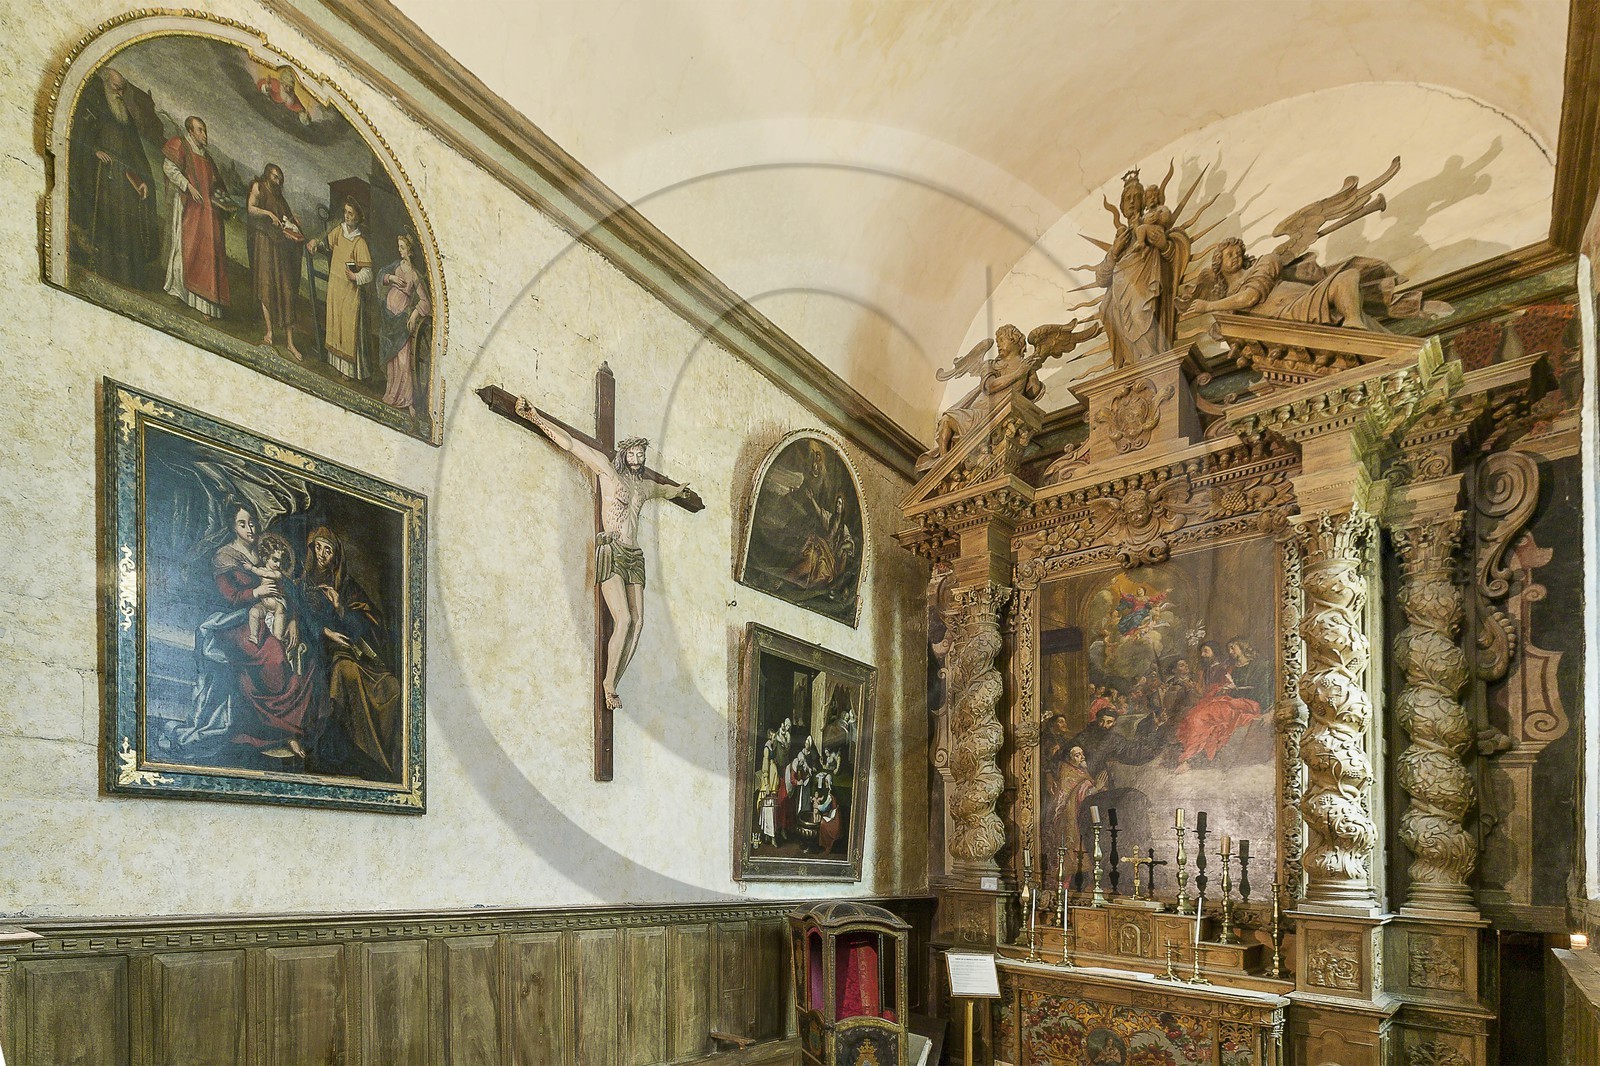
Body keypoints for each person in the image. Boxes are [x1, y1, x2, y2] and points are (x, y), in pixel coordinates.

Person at [515, 398, 694, 710]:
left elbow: (665, 490)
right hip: (611, 549)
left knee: (638, 623)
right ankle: (608, 683)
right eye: (633, 453)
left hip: (634, 555)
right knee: (622, 619)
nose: (638, 458)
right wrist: (536, 418)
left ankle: (617, 677)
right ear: (623, 453)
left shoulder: (644, 487)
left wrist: (679, 492)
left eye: (642, 454)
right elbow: (570, 444)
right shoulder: (606, 471)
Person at [187, 505, 319, 758]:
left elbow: (286, 591)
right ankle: (274, 732)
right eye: (243, 524)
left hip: (268, 616)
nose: (251, 529)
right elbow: (228, 597)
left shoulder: (265, 552)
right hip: (233, 622)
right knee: (273, 654)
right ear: (232, 527)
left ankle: (289, 731)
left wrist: (292, 620)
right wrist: (256, 593)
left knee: (306, 656)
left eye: (253, 523)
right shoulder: (224, 557)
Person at [298, 527, 403, 780]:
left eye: (328, 549)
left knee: (391, 686)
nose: (322, 554)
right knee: (347, 673)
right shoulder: (302, 585)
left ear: (336, 556)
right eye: (318, 548)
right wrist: (325, 632)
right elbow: (300, 619)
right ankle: (344, 749)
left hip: (355, 651)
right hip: (323, 651)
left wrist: (339, 606)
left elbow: (366, 625)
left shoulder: (346, 586)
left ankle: (378, 757)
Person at [69, 67, 158, 288]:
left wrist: (142, 180)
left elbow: (135, 153)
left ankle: (128, 278)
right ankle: (103, 270)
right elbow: (77, 133)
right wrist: (93, 150)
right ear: (105, 84)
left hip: (125, 182)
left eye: (122, 91)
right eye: (116, 89)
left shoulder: (123, 115)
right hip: (102, 178)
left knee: (127, 228)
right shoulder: (93, 103)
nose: (119, 94)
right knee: (106, 225)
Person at [161, 116, 229, 318]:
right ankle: (179, 291)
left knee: (206, 253)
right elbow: (169, 168)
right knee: (186, 248)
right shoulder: (180, 144)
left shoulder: (207, 158)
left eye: (204, 130)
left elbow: (217, 186)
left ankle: (204, 302)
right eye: (200, 130)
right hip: (188, 205)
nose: (204, 135)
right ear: (190, 132)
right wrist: (188, 186)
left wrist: (222, 201)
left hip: (207, 212)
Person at [307, 198, 373, 378]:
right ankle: (335, 363)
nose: (346, 216)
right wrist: (315, 244)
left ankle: (349, 371)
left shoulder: (360, 242)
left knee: (348, 327)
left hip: (350, 292)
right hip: (335, 286)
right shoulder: (338, 231)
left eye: (350, 213)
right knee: (335, 323)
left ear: (358, 217)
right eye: (345, 212)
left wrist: (355, 276)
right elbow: (325, 246)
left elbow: (368, 273)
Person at [245, 163, 305, 358]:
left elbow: (285, 218)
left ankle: (289, 342)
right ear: (267, 175)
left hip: (279, 247)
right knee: (266, 286)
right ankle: (270, 332)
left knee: (286, 291)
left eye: (280, 177)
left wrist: (292, 221)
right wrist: (268, 213)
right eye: (275, 176)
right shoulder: (258, 187)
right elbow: (251, 208)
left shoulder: (279, 196)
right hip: (263, 243)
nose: (277, 180)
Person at [1173, 641, 1263, 771]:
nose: (1230, 652)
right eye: (1229, 649)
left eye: (1233, 648)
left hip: (1240, 702)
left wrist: (1230, 689)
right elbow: (1212, 689)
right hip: (1223, 701)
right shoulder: (1226, 668)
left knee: (1200, 716)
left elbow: (1255, 690)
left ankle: (1190, 758)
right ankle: (1190, 756)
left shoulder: (1251, 667)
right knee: (1195, 716)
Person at [377, 233, 430, 413]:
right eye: (399, 247)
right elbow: (381, 275)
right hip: (389, 315)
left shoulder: (415, 275)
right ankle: (391, 393)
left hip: (402, 318)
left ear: (410, 250)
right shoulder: (396, 266)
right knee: (392, 359)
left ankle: (406, 399)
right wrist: (391, 278)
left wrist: (414, 314)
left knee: (403, 359)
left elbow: (425, 301)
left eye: (402, 247)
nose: (399, 250)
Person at [245, 533, 294, 648]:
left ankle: (278, 637)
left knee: (280, 612)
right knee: (253, 612)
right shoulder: (261, 569)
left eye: (280, 561)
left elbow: (265, 574)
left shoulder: (276, 573)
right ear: (266, 557)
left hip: (276, 602)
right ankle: (254, 636)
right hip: (265, 604)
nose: (278, 564)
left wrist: (252, 568)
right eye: (275, 560)